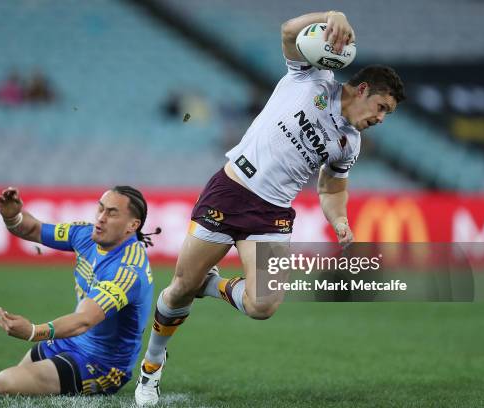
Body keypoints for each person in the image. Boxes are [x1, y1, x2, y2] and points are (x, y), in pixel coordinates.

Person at [134, 10, 405, 406]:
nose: (381, 118)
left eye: (388, 114)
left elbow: (331, 187)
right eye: (381, 107)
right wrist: (333, 15)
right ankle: (151, 368)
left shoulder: (350, 143)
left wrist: (339, 219)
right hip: (231, 190)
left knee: (262, 305)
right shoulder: (311, 78)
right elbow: (288, 32)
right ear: (362, 89)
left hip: (273, 214)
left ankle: (210, 283)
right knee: (177, 292)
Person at [0, 186, 158, 396]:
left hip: (102, 364)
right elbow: (33, 229)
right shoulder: (84, 235)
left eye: (112, 212)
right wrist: (12, 216)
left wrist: (34, 331)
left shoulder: (129, 271)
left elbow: (84, 320)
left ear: (132, 225)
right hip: (69, 341)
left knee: (6, 382)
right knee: (13, 384)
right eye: (100, 209)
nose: (101, 218)